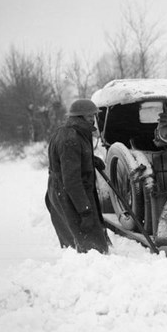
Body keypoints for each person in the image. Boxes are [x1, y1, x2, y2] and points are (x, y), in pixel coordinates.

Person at [45, 99, 109, 254]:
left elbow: (67, 161)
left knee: (80, 243)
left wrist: (90, 160)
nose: (93, 118)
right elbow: (72, 180)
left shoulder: (74, 132)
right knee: (91, 249)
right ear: (80, 116)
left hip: (67, 191)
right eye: (90, 115)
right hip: (70, 195)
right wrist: (85, 211)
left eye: (94, 115)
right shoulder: (70, 138)